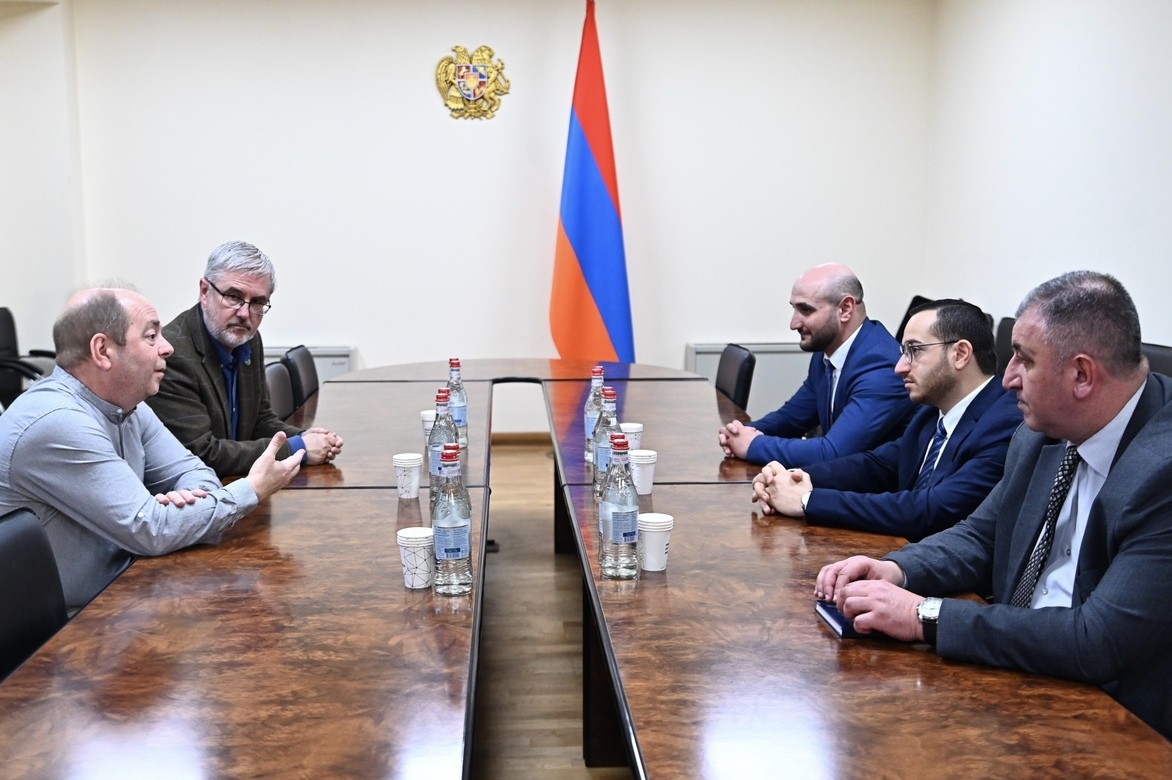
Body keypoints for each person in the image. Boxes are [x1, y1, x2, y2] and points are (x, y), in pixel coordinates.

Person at [815, 271, 1172, 738]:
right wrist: (897, 569)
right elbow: (982, 535)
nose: (1006, 380)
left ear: (1082, 375)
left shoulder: (1162, 472)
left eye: (1024, 359)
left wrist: (924, 615)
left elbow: (1097, 639)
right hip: (1017, 674)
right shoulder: (1041, 432)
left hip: (1115, 723)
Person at [0, 286, 303, 612]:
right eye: (151, 336)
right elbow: (153, 529)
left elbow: (195, 471)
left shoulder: (128, 405)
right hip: (66, 627)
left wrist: (187, 505)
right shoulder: (57, 421)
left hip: (125, 592)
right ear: (103, 351)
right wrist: (251, 490)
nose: (167, 347)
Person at [752, 299, 1022, 541]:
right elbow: (878, 465)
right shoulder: (932, 410)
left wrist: (807, 500)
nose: (899, 367)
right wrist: (795, 477)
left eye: (914, 350)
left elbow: (930, 510)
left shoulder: (1006, 425)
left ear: (960, 354)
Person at [147, 241, 343, 477]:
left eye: (257, 302)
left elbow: (259, 420)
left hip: (242, 484)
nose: (244, 313)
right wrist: (297, 448)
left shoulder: (248, 339)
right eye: (233, 296)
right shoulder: (172, 354)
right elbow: (202, 453)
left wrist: (304, 437)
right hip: (198, 490)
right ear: (205, 291)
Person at [718, 263, 915, 466]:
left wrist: (752, 445)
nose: (793, 324)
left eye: (805, 310)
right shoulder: (828, 351)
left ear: (845, 309)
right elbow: (792, 418)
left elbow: (832, 453)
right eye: (794, 309)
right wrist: (741, 432)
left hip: (872, 484)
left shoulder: (882, 367)